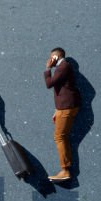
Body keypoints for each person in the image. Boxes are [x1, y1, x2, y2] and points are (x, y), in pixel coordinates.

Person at [43, 47, 82, 182]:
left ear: (55, 57)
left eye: (51, 57)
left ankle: (65, 170)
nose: (49, 60)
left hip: (66, 107)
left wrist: (48, 68)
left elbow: (49, 84)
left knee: (59, 137)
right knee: (62, 137)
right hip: (64, 107)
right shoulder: (64, 67)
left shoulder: (63, 67)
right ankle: (65, 169)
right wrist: (58, 109)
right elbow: (63, 88)